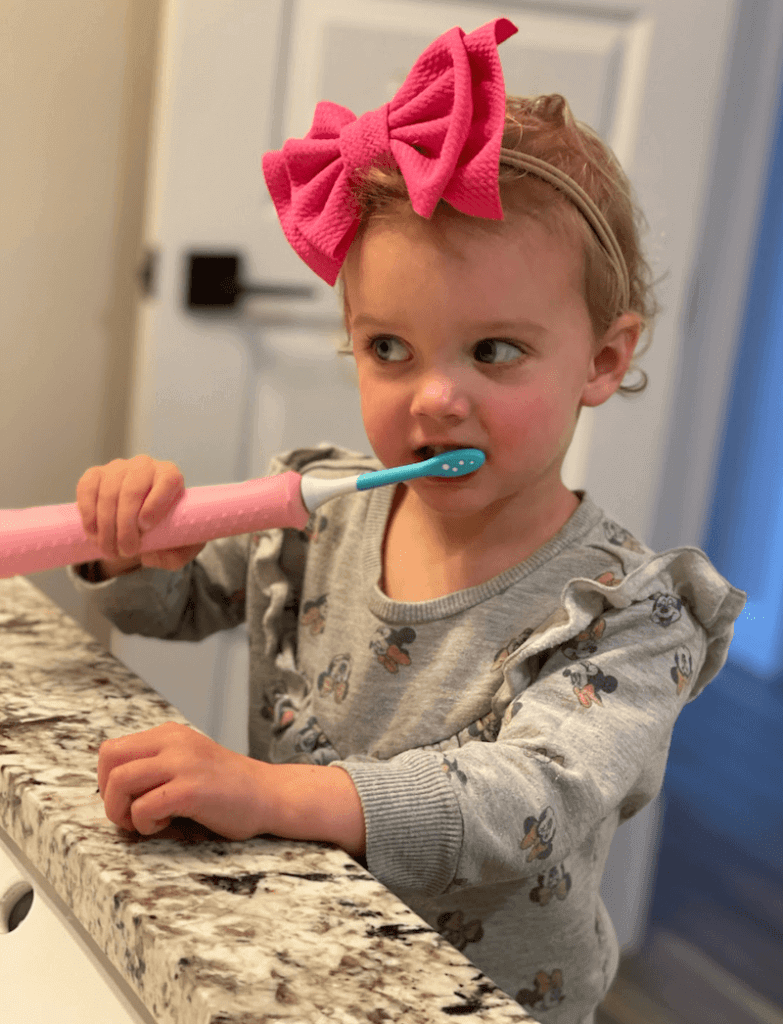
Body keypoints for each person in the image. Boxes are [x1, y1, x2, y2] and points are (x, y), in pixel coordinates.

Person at [69, 19, 745, 1024]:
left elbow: (528, 802)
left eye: (494, 351)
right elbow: (170, 604)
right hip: (294, 959)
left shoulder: (629, 614)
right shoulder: (314, 513)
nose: (433, 400)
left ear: (603, 360)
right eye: (390, 347)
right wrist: (129, 542)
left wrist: (269, 793)